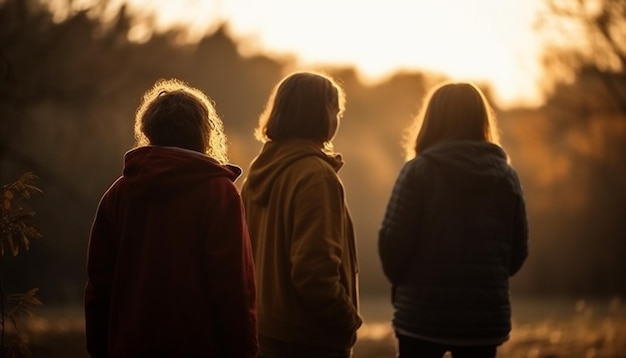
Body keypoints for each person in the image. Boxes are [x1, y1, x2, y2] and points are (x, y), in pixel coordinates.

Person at [84, 78, 258, 357]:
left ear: (149, 129)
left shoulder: (118, 194)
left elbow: (99, 285)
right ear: (204, 132)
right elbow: (233, 285)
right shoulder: (218, 193)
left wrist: (99, 348)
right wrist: (245, 350)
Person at [378, 82, 529, 358]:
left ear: (431, 120)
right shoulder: (507, 178)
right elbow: (517, 252)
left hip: (421, 315)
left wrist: (405, 284)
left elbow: (392, 245)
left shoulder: (417, 172)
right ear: (482, 120)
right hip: (483, 318)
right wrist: (484, 279)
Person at [241, 71, 362, 358]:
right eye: (335, 110)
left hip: (264, 332)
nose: (338, 118)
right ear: (318, 114)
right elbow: (313, 271)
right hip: (310, 338)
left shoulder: (256, 175)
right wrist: (347, 321)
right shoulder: (317, 177)